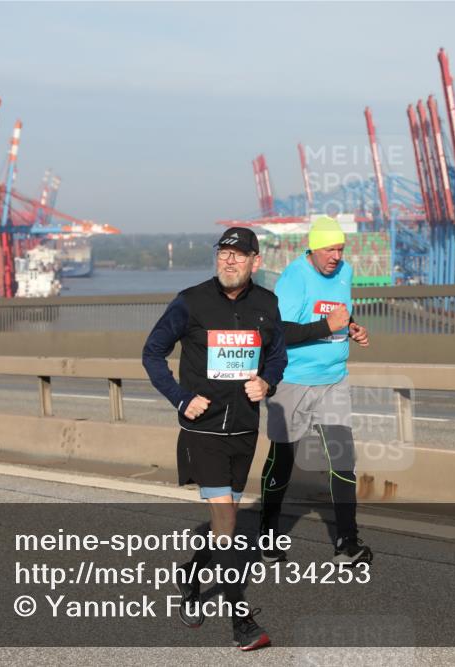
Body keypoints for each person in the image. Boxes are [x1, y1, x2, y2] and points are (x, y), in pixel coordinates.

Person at [142, 227, 286, 651]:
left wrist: (268, 382)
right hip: (202, 432)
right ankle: (241, 622)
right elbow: (152, 353)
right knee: (225, 521)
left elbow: (276, 353)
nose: (229, 260)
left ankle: (190, 573)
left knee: (228, 523)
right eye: (223, 253)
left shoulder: (267, 304)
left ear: (255, 263)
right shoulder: (190, 302)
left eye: (239, 255)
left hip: (244, 429)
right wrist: (181, 398)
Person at [259, 215, 373, 566]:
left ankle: (347, 542)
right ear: (313, 248)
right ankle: (268, 536)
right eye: (329, 250)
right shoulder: (295, 277)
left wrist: (351, 328)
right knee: (283, 459)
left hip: (334, 379)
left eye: (340, 249)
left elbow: (339, 315)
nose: (336, 256)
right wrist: (328, 325)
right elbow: (278, 332)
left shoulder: (346, 272)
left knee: (342, 459)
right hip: (293, 381)